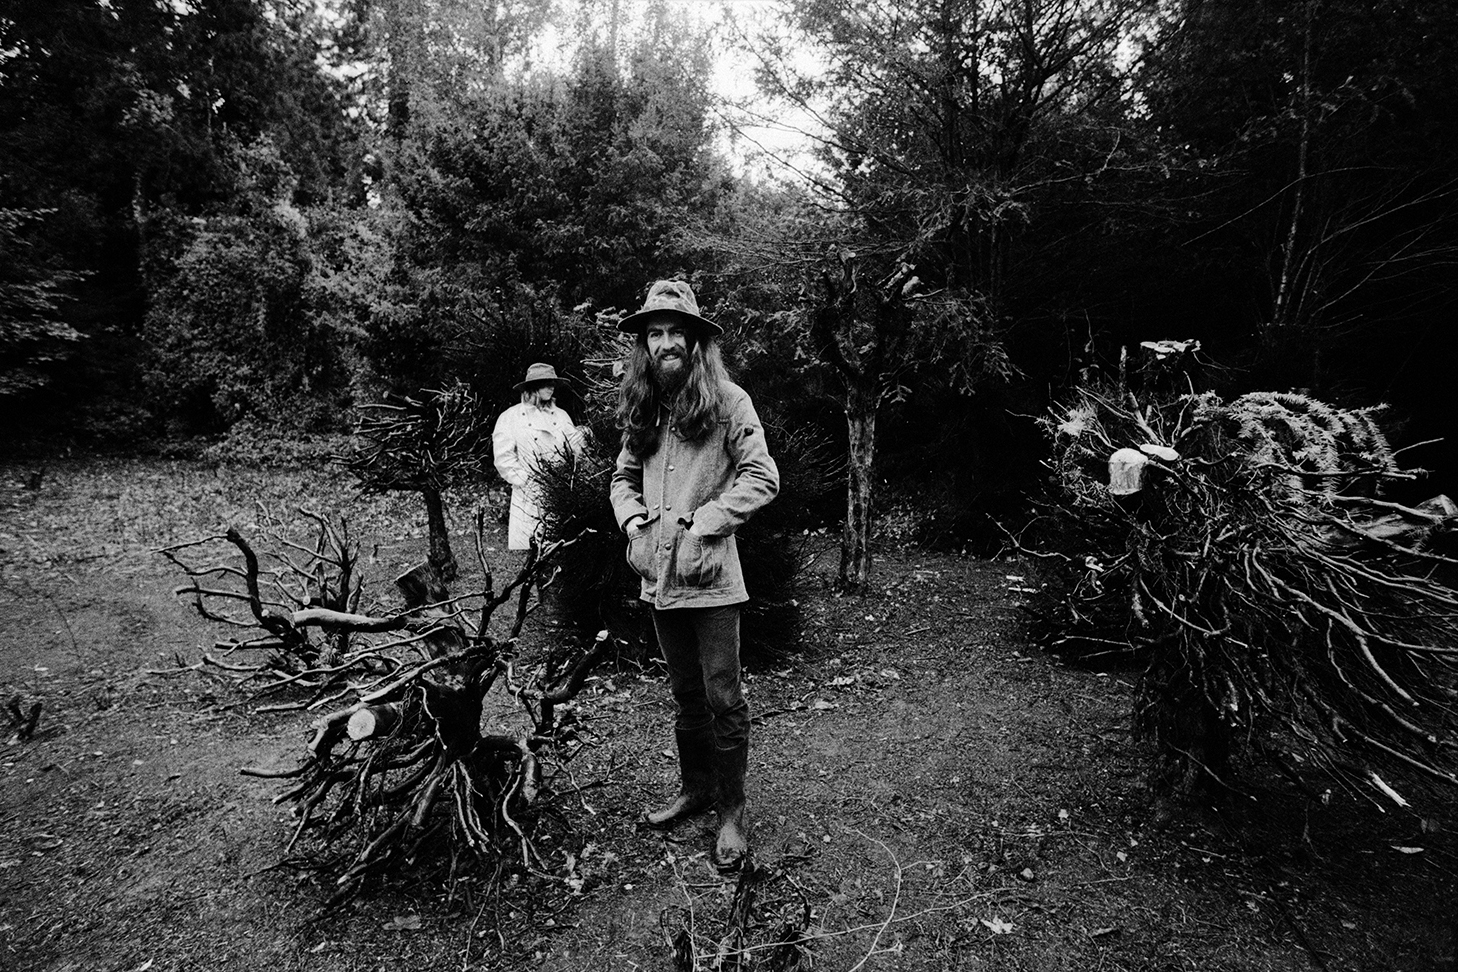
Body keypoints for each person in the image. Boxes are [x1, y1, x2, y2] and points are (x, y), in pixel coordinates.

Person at [609, 279, 779, 871]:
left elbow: (762, 477)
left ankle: (731, 812)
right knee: (685, 697)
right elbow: (622, 480)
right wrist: (635, 527)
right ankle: (696, 789)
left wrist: (705, 520)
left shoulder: (730, 402)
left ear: (696, 340)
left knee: (722, 696)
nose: (664, 343)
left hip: (711, 579)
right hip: (657, 579)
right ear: (645, 346)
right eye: (653, 334)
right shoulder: (645, 404)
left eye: (674, 332)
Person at [492, 362, 585, 551]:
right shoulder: (511, 417)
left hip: (559, 491)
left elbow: (575, 450)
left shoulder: (561, 416)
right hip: (529, 494)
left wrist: (582, 439)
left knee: (559, 548)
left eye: (552, 383)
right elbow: (504, 458)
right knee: (532, 549)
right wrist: (525, 480)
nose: (551, 387)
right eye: (545, 383)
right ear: (533, 387)